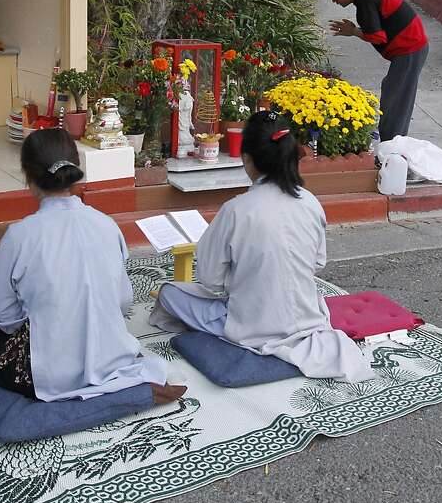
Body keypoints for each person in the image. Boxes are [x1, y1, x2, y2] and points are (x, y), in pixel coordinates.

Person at [0, 128, 186, 404]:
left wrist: (46, 320)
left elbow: (4, 317)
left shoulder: (19, 236)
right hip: (110, 355)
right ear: (75, 168)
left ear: (27, 176)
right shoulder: (106, 224)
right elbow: (123, 302)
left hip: (48, 374)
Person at [150, 112, 374, 383]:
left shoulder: (235, 210)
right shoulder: (310, 202)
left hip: (250, 323)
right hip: (306, 317)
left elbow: (211, 281)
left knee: (170, 293)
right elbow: (317, 262)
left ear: (247, 159)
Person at [325, 0, 429, 142]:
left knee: (396, 98)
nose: (334, 0)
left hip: (409, 48)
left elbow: (377, 37)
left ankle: (392, 143)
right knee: (393, 91)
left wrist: (353, 32)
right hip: (410, 48)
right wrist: (355, 31)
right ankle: (392, 139)